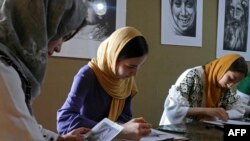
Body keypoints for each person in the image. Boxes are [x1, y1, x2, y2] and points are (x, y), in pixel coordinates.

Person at [57, 26, 152, 141]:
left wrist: (134, 127)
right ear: (114, 57)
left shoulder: (126, 80)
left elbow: (125, 118)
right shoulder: (87, 75)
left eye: (139, 67)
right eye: (130, 66)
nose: (134, 73)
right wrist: (117, 130)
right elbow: (65, 119)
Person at [159, 53, 248, 125]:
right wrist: (206, 111)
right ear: (222, 68)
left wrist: (217, 115)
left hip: (200, 132)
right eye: (230, 79)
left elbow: (239, 109)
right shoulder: (192, 76)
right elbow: (173, 111)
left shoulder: (223, 87)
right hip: (176, 131)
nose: (230, 85)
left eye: (235, 82)